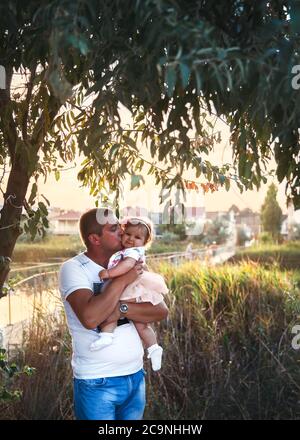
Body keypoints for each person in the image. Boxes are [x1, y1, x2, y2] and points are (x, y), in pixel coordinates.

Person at [59, 208, 168, 420]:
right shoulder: (74, 268)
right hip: (97, 381)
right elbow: (91, 318)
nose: (122, 231)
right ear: (94, 238)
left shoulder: (126, 262)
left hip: (135, 377)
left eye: (120, 225)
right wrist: (122, 280)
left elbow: (160, 310)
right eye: (113, 228)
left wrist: (120, 309)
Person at [89, 216, 168, 372]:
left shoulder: (133, 252)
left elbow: (127, 266)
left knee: (112, 307)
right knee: (141, 325)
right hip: (132, 286)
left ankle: (106, 335)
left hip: (132, 287)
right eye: (128, 234)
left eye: (137, 237)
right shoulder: (124, 250)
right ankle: (153, 348)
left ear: (145, 242)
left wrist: (109, 273)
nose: (131, 239)